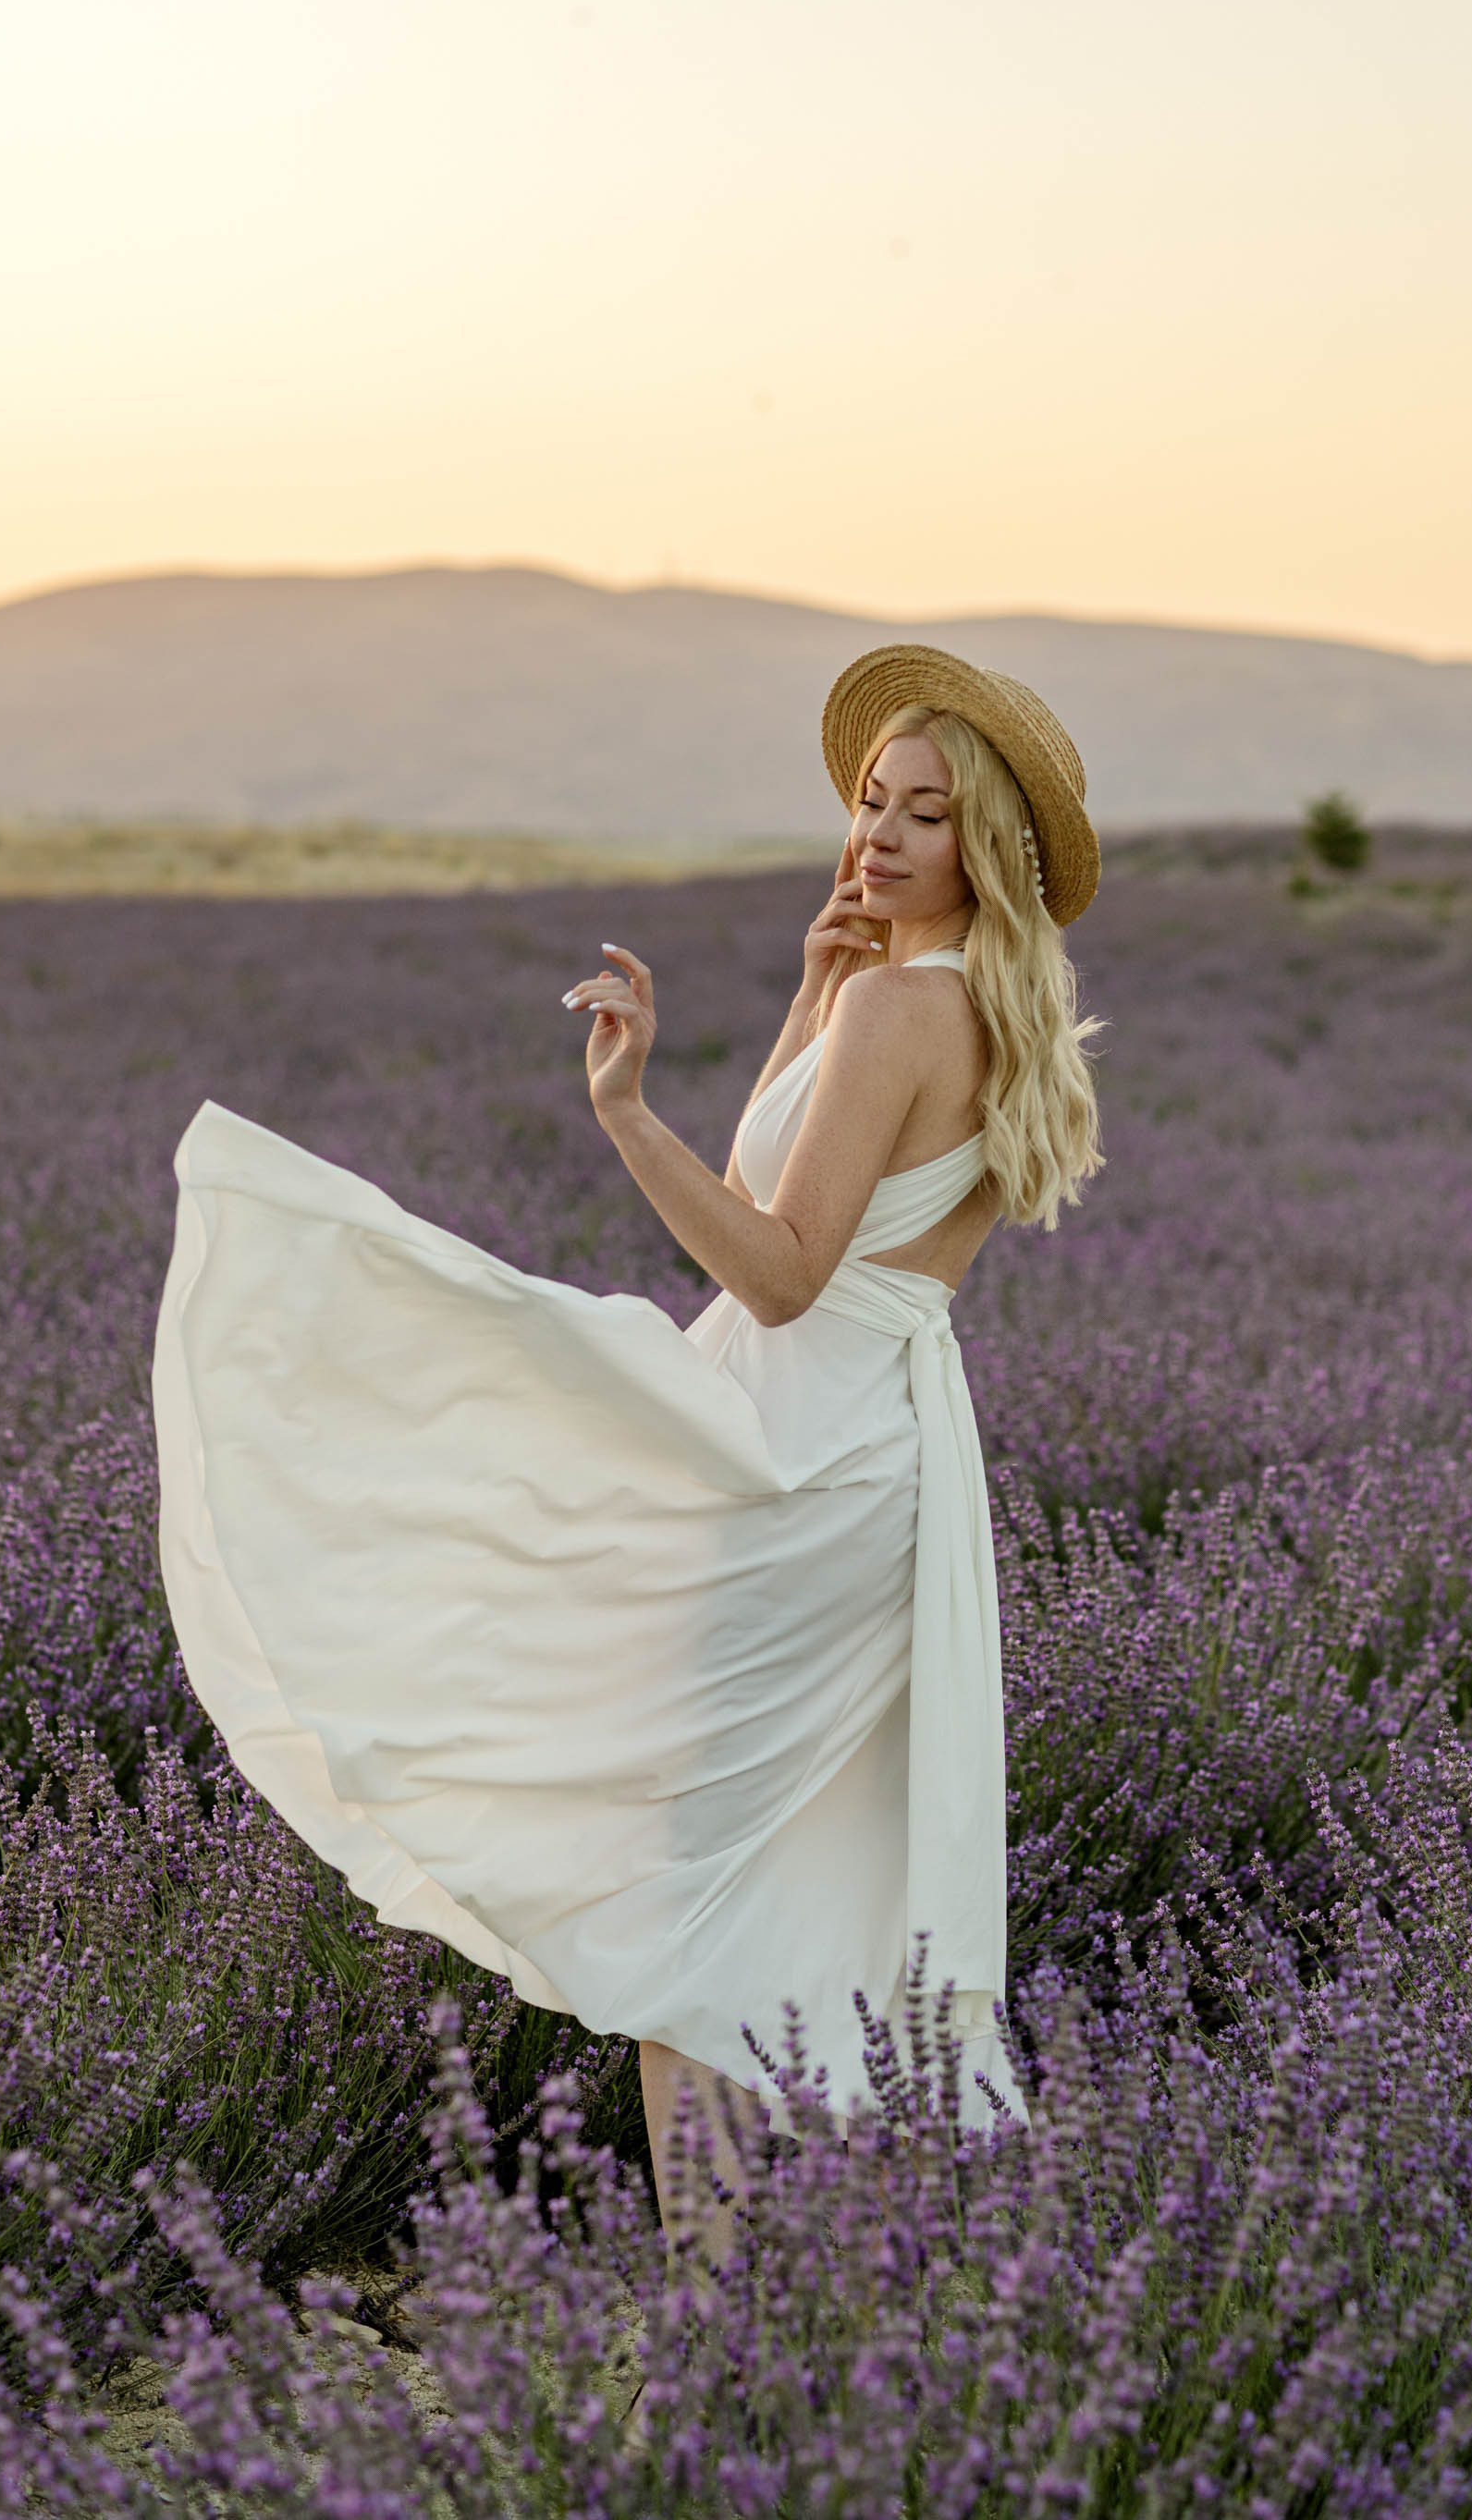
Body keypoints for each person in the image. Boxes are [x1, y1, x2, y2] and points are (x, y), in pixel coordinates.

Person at [152, 642, 1102, 2228]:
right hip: (859, 1444)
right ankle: (805, 2282)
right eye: (873, 800)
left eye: (924, 815)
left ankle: (715, 2305)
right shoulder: (952, 1010)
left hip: (791, 1453)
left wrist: (624, 1112)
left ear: (986, 845)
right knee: (775, 1878)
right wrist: (807, 1001)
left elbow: (777, 1274)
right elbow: (785, 1218)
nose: (878, 834)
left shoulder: (902, 1010)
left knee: (689, 1888)